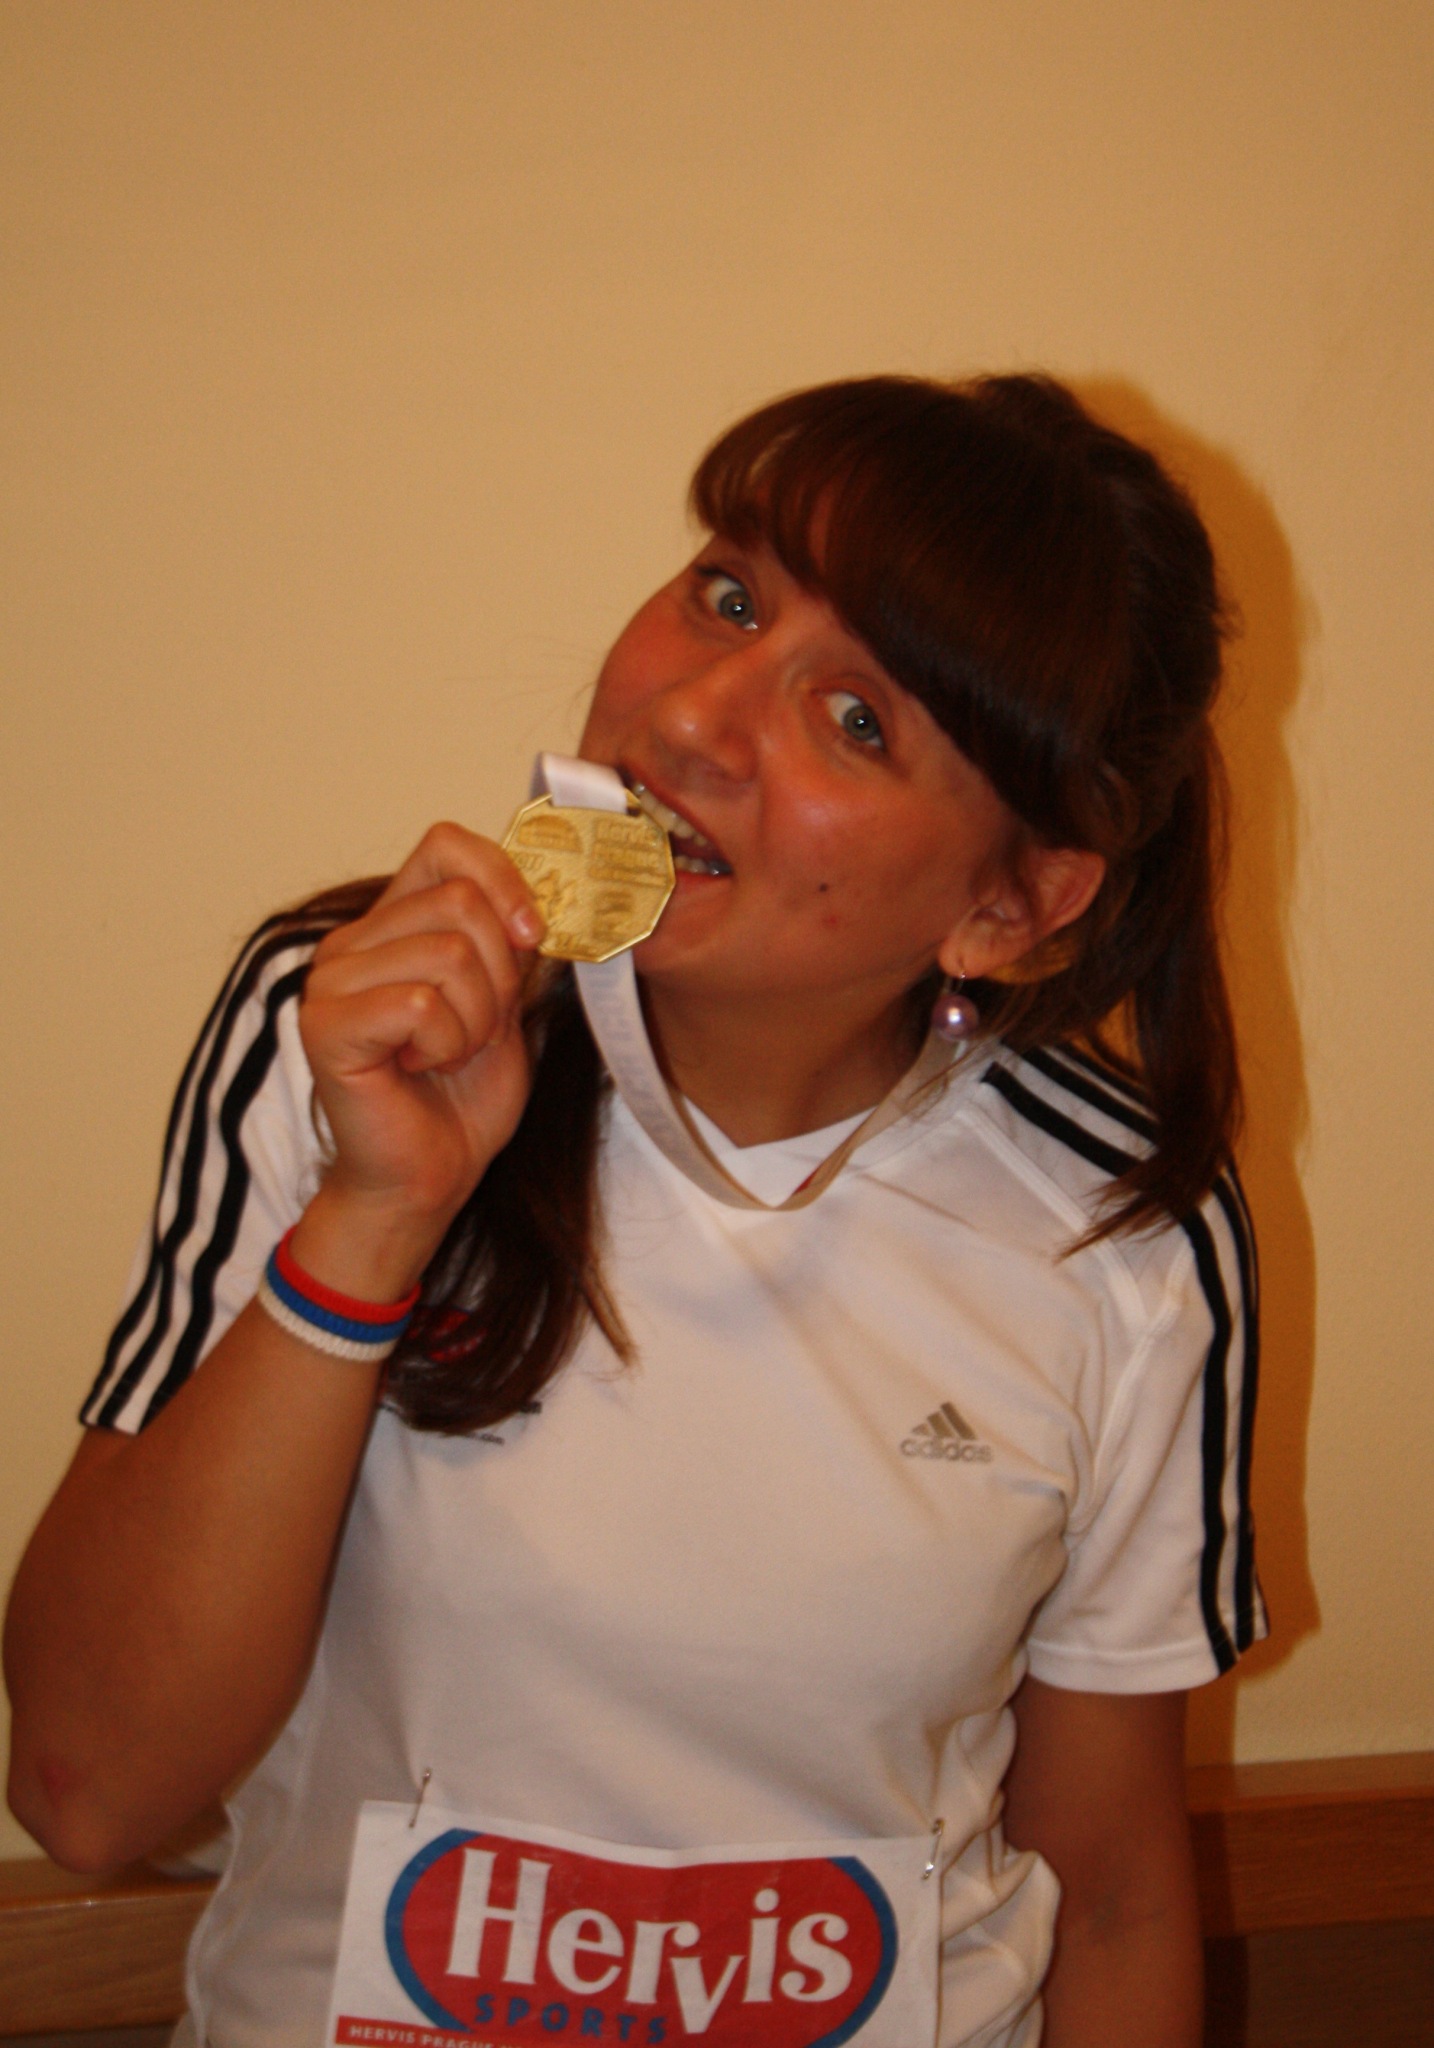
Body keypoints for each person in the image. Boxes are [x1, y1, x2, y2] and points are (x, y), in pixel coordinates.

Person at [5, 373, 1262, 2048]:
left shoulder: (1120, 1232)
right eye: (727, 596)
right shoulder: (337, 1032)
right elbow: (87, 1791)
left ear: (1013, 903)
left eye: (856, 718)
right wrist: (374, 1217)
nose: (688, 721)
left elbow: (1108, 1894)